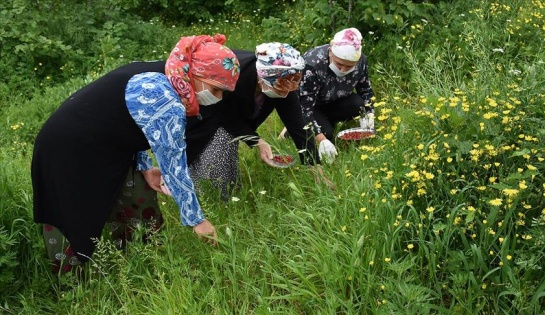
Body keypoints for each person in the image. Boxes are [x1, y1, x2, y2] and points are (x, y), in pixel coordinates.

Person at [31, 34, 240, 274]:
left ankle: (143, 260)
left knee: (138, 194)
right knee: (72, 212)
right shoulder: (165, 97)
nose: (218, 98)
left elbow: (134, 122)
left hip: (107, 145)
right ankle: (70, 284)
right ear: (196, 73)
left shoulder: (170, 72)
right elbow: (173, 164)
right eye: (216, 89)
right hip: (67, 149)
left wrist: (144, 167)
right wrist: (197, 220)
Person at [185, 42, 334, 198]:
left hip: (231, 117)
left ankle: (220, 191)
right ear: (262, 77)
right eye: (279, 89)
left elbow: (298, 126)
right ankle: (198, 190)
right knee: (215, 154)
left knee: (227, 182)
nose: (285, 93)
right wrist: (257, 141)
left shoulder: (284, 80)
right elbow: (225, 116)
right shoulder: (233, 76)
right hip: (206, 114)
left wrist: (317, 171)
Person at [280, 27, 375, 163]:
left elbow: (365, 90)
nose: (343, 70)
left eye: (349, 67)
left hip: (335, 100)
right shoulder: (312, 65)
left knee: (358, 104)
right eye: (339, 64)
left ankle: (321, 122)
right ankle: (292, 128)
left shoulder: (362, 62)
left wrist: (370, 113)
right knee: (327, 135)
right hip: (311, 105)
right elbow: (304, 108)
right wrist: (322, 140)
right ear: (330, 52)